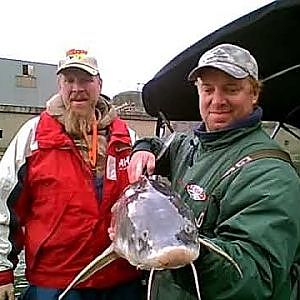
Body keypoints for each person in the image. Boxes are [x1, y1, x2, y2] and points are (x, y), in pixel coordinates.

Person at [127, 43, 300, 299]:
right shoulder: (189, 143)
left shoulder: (271, 173)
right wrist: (142, 148)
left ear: (254, 93)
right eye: (208, 89)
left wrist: (174, 249)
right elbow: (158, 144)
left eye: (231, 89)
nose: (217, 101)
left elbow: (254, 279)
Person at [0, 49, 143, 300]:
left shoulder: (128, 139)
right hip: (56, 281)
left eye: (85, 80)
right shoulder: (34, 136)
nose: (77, 88)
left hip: (121, 279)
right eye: (69, 80)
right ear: (59, 85)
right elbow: (3, 201)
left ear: (99, 84)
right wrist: (3, 270)